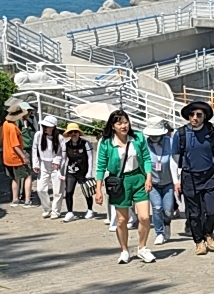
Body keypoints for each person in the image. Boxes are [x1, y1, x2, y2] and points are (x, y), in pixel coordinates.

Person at [94, 109, 155, 263]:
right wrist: (98, 189)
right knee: (122, 220)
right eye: (119, 123)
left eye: (126, 122)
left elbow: (146, 158)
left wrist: (148, 177)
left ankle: (142, 247)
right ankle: (124, 250)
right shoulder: (106, 142)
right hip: (119, 182)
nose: (123, 126)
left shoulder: (138, 137)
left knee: (144, 217)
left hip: (138, 178)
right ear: (112, 126)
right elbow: (100, 166)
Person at [172, 100, 214, 254]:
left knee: (212, 211)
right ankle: (199, 241)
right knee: (194, 214)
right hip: (189, 177)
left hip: (208, 175)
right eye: (192, 114)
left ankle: (208, 234)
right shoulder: (181, 134)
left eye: (198, 115)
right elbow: (174, 159)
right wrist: (176, 181)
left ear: (204, 116)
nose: (194, 117)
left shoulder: (211, 131)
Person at [144, 119, 177, 245]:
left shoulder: (170, 142)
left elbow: (176, 160)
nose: (154, 137)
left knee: (168, 210)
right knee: (157, 207)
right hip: (152, 183)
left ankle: (167, 224)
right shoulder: (144, 144)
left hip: (168, 182)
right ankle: (159, 233)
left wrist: (177, 180)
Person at [30, 114, 64, 218]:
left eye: (47, 126)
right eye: (44, 126)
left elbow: (62, 152)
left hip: (56, 167)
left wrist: (57, 161)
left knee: (58, 190)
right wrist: (35, 164)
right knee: (41, 189)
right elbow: (34, 150)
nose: (45, 128)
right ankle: (47, 208)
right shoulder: (38, 135)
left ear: (53, 127)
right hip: (43, 165)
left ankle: (56, 211)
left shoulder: (59, 138)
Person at [60, 123, 96, 221]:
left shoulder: (86, 143)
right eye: (71, 132)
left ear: (78, 133)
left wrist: (89, 172)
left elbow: (90, 158)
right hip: (71, 172)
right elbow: (63, 160)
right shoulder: (66, 145)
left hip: (83, 172)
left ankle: (90, 210)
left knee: (87, 191)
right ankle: (70, 212)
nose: (73, 134)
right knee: (69, 192)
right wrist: (61, 172)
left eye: (75, 131)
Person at [1, 104, 31, 205]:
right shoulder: (13, 128)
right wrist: (24, 157)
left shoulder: (5, 124)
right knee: (28, 175)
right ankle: (27, 200)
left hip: (7, 156)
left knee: (15, 177)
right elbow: (15, 145)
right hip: (16, 157)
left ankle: (15, 199)